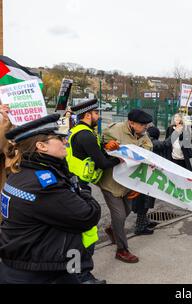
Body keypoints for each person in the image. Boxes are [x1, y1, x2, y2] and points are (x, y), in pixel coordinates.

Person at [0, 114, 101, 284]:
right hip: (41, 271)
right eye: (59, 138)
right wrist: (84, 190)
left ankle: (83, 276)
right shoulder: (43, 184)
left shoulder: (21, 173)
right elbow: (88, 215)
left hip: (28, 263)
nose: (65, 141)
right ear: (41, 146)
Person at [66, 98, 120, 282]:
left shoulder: (77, 131)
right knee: (86, 231)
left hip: (74, 183)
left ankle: (78, 273)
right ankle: (81, 276)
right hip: (79, 187)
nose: (98, 116)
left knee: (79, 231)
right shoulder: (86, 134)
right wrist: (121, 159)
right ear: (88, 115)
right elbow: (103, 162)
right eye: (96, 113)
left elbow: (94, 152)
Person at [98, 109, 153, 263]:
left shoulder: (143, 135)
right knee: (120, 216)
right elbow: (100, 148)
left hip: (128, 183)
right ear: (131, 123)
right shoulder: (113, 131)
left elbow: (148, 153)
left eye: (147, 125)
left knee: (127, 211)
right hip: (111, 183)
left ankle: (111, 229)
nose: (145, 127)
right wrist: (106, 146)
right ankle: (122, 250)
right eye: (142, 125)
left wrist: (137, 186)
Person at [129, 125, 165, 236]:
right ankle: (140, 227)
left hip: (146, 177)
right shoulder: (152, 143)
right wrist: (177, 132)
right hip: (145, 179)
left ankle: (145, 222)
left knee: (146, 202)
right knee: (143, 204)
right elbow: (166, 143)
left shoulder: (143, 141)